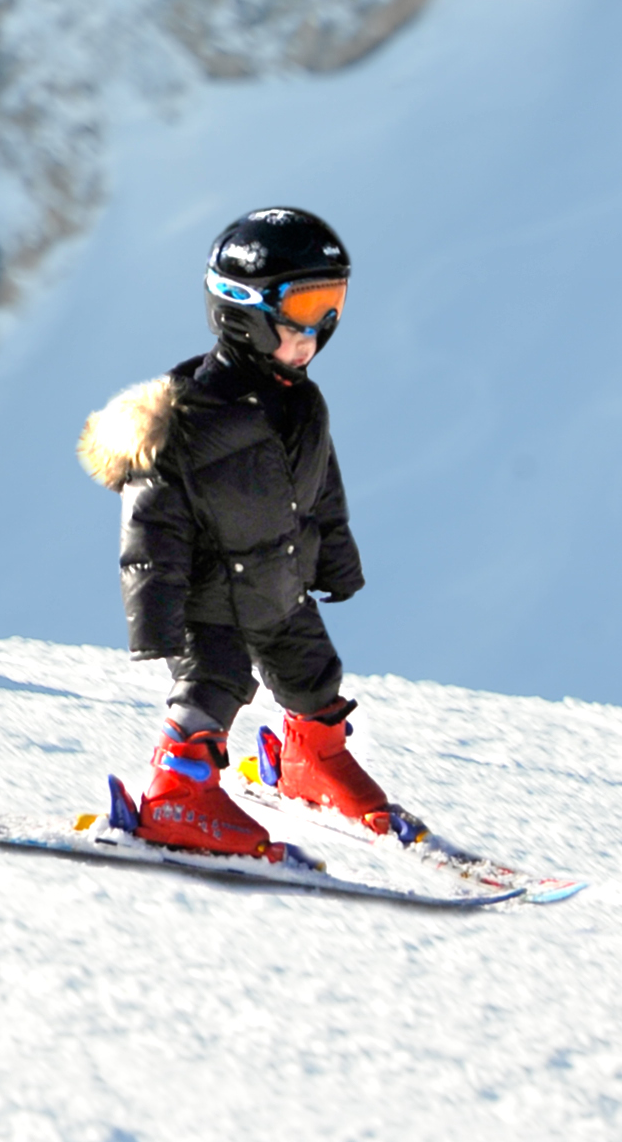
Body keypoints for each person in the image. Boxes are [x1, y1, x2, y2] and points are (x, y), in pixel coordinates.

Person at [76, 207, 395, 856]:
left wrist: (337, 558)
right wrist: (156, 621)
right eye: (303, 306)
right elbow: (150, 530)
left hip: (278, 585)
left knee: (315, 675)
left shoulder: (305, 401)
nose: (318, 329)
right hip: (208, 598)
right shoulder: (186, 413)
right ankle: (174, 792)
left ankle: (312, 761)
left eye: (332, 303)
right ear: (241, 309)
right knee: (212, 683)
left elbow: (321, 491)